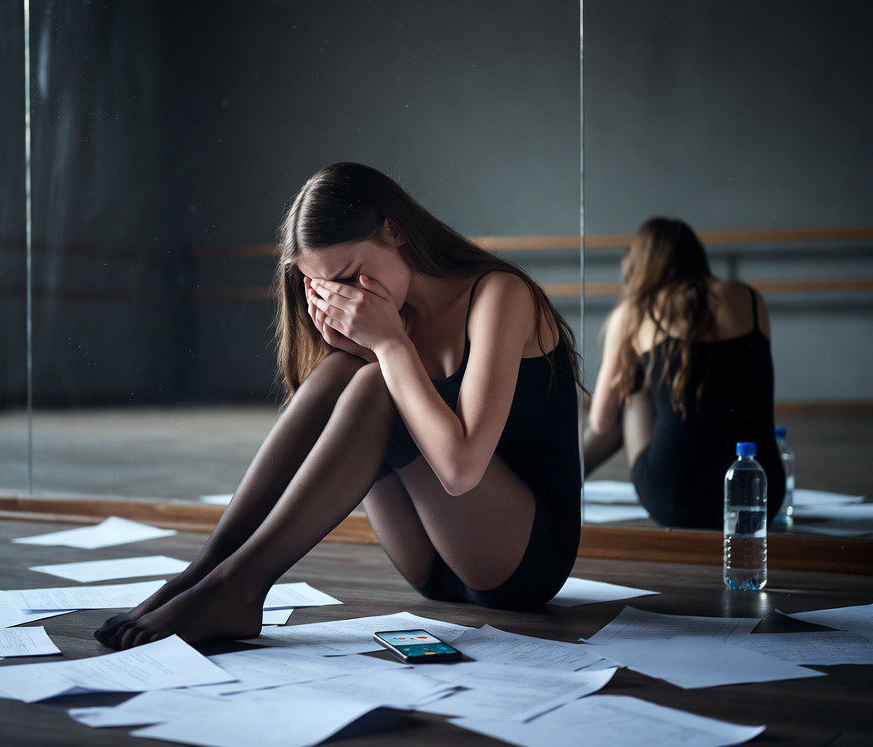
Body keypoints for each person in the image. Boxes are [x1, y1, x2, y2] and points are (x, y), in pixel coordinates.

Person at [94, 161, 584, 650]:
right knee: (343, 371)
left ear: (394, 230)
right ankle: (203, 573)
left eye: (350, 276)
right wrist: (366, 349)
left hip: (520, 561)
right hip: (432, 564)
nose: (347, 301)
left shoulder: (499, 295)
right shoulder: (396, 312)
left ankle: (237, 587)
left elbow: (460, 471)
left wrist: (389, 346)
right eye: (327, 290)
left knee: (376, 383)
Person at [583, 216, 785, 529]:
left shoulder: (635, 311)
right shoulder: (750, 299)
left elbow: (601, 421)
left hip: (674, 499)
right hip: (758, 495)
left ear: (642, 265)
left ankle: (561, 477)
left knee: (632, 386)